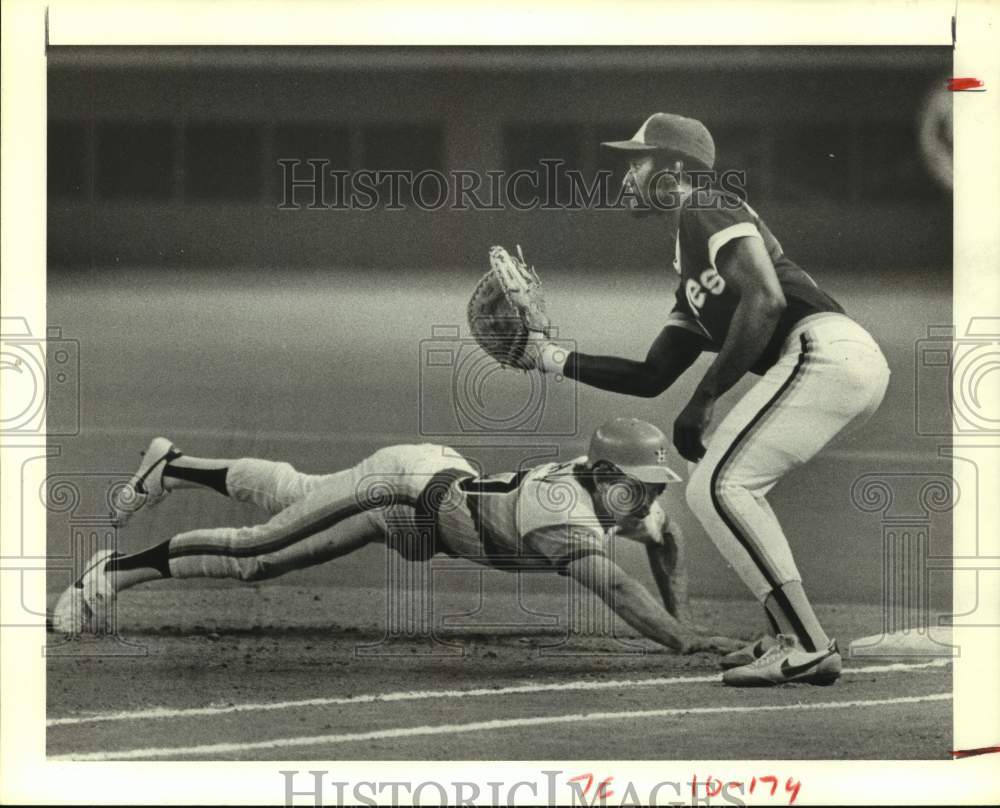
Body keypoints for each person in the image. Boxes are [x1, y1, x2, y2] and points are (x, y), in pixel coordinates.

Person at [527, 113, 891, 686]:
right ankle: (787, 634)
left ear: (674, 168)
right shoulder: (693, 274)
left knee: (721, 486)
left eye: (637, 161)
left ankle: (809, 644)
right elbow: (651, 375)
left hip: (827, 351)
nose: (626, 175)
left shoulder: (707, 202)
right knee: (723, 489)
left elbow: (766, 300)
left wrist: (706, 399)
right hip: (835, 363)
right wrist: (543, 355)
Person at [51, 417, 742, 656]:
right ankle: (110, 572)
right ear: (599, 472)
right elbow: (617, 586)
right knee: (259, 554)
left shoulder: (615, 497)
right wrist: (684, 639)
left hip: (430, 504)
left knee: (295, 493)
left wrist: (681, 615)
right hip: (405, 490)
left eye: (654, 485)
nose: (650, 496)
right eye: (641, 483)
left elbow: (667, 538)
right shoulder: (566, 511)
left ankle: (172, 465)